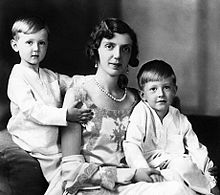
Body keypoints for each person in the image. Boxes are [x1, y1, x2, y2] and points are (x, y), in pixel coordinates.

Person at [51, 18, 199, 195]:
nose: (117, 55)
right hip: (91, 187)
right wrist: (130, 174)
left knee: (179, 186)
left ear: (131, 56)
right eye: (109, 46)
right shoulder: (79, 95)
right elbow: (70, 171)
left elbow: (162, 144)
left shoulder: (138, 99)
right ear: (96, 50)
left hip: (134, 185)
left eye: (125, 49)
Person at [6, 16, 93, 194]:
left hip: (53, 140)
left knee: (79, 165)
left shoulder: (48, 75)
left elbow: (71, 81)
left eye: (42, 43)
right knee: (64, 176)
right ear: (15, 45)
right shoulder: (18, 76)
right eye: (29, 42)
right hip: (34, 140)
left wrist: (97, 80)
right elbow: (33, 110)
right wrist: (66, 115)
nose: (36, 49)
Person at [123, 59, 219, 195]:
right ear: (143, 95)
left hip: (176, 166)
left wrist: (209, 175)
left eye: (166, 88)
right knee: (177, 176)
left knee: (183, 167)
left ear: (174, 91)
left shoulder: (178, 117)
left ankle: (210, 189)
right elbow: (132, 144)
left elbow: (195, 147)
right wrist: (142, 168)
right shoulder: (141, 112)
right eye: (153, 89)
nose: (161, 94)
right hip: (150, 166)